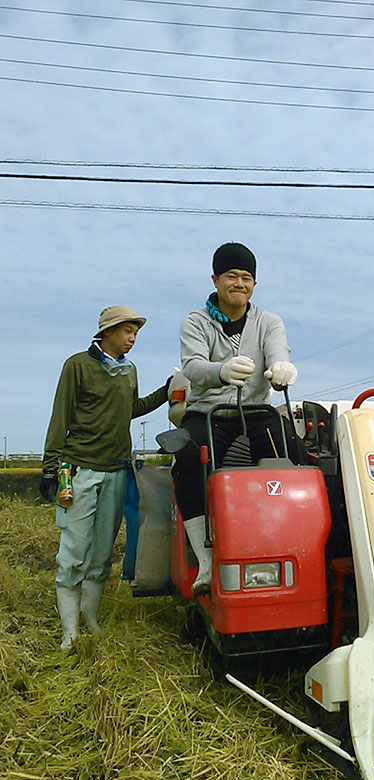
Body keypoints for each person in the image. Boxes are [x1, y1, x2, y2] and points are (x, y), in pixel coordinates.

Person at [40, 306, 170, 650]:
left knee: (101, 552)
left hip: (115, 469)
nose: (132, 339)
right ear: (108, 331)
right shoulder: (77, 366)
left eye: (135, 334)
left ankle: (90, 618)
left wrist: (166, 391)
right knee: (74, 550)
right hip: (80, 469)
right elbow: (60, 415)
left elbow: (130, 410)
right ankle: (70, 630)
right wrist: (50, 466)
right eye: (127, 332)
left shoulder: (129, 370)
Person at [174, 242, 299, 592]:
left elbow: (277, 349)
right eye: (231, 276)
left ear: (255, 284)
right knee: (186, 457)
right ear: (215, 279)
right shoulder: (195, 322)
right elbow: (193, 366)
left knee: (292, 451)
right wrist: (221, 370)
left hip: (256, 410)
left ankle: (283, 540)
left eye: (247, 277)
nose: (239, 283)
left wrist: (280, 366)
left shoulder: (269, 321)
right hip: (208, 412)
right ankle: (205, 559)